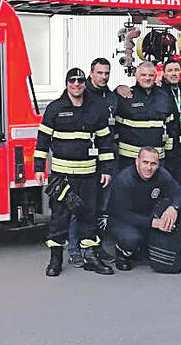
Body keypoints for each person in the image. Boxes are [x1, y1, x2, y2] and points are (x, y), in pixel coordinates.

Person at [34, 68, 116, 276]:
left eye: (80, 80)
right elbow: (42, 140)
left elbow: (105, 141)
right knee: (60, 218)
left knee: (89, 216)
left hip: (89, 175)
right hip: (62, 176)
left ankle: (90, 257)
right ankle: (55, 260)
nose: (77, 84)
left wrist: (106, 169)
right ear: (67, 83)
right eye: (72, 80)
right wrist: (38, 168)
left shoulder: (96, 108)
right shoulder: (54, 108)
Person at [67, 58, 120, 267]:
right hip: (83, 161)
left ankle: (95, 246)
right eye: (99, 73)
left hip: (106, 160)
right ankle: (74, 249)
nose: (103, 77)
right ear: (91, 73)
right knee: (77, 207)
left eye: (107, 73)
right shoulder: (81, 93)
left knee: (100, 207)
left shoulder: (113, 97)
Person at [108, 146, 181, 273]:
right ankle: (123, 252)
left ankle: (154, 250)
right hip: (123, 221)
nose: (149, 167)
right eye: (145, 162)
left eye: (153, 164)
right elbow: (123, 214)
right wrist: (154, 223)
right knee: (132, 240)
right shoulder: (124, 180)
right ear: (137, 161)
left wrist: (174, 208)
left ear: (158, 165)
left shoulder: (162, 174)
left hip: (149, 217)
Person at [114, 62, 171, 174]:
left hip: (156, 161)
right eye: (143, 75)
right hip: (129, 161)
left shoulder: (164, 97)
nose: (147, 78)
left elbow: (171, 127)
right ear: (136, 76)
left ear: (155, 76)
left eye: (150, 75)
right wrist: (116, 89)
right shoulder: (125, 95)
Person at [161, 59, 181, 189]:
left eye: (176, 70)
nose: (174, 73)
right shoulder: (159, 92)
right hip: (166, 150)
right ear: (164, 73)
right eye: (170, 70)